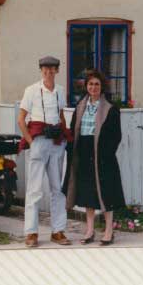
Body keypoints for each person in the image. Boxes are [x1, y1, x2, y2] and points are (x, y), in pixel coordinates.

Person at [63, 69, 126, 246]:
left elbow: (116, 136)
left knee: (106, 192)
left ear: (102, 86)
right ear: (86, 86)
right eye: (90, 84)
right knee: (87, 193)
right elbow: (73, 129)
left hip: (103, 155)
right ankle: (89, 230)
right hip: (83, 151)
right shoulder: (80, 106)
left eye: (97, 84)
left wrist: (106, 153)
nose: (93, 87)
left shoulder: (111, 109)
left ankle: (108, 231)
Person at [18, 56, 73, 248]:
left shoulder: (60, 91)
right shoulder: (31, 90)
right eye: (45, 69)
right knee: (34, 189)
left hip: (56, 143)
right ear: (41, 70)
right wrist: (32, 141)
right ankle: (31, 233)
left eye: (52, 69)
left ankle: (57, 231)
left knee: (57, 189)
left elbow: (60, 115)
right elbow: (21, 119)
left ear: (57, 70)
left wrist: (64, 137)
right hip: (39, 142)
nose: (49, 72)